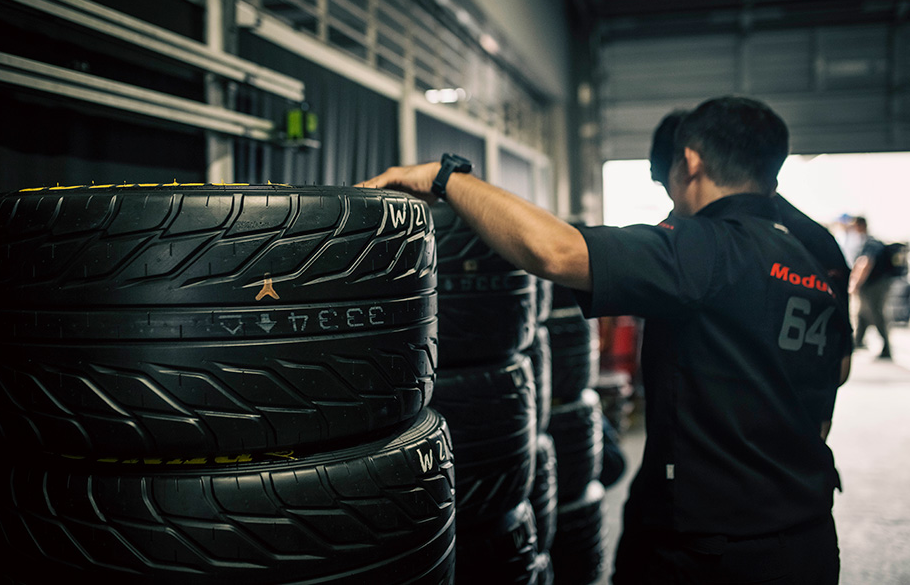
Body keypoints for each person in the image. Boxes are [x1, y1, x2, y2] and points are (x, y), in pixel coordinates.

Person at [358, 95, 849, 584]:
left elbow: (555, 251)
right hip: (806, 537)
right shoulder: (809, 259)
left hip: (712, 550)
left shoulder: (708, 247)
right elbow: (834, 378)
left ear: (690, 161)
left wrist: (445, 178)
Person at [650, 109, 853, 384]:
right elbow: (839, 367)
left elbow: (838, 366)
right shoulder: (815, 237)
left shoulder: (807, 242)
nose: (674, 203)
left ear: (690, 167)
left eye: (668, 183)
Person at [849, 216, 893, 359]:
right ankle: (857, 341)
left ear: (861, 226)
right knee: (862, 313)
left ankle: (886, 348)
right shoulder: (869, 242)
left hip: (875, 285)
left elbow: (865, 263)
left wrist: (855, 284)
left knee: (875, 314)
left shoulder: (870, 243)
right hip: (872, 284)